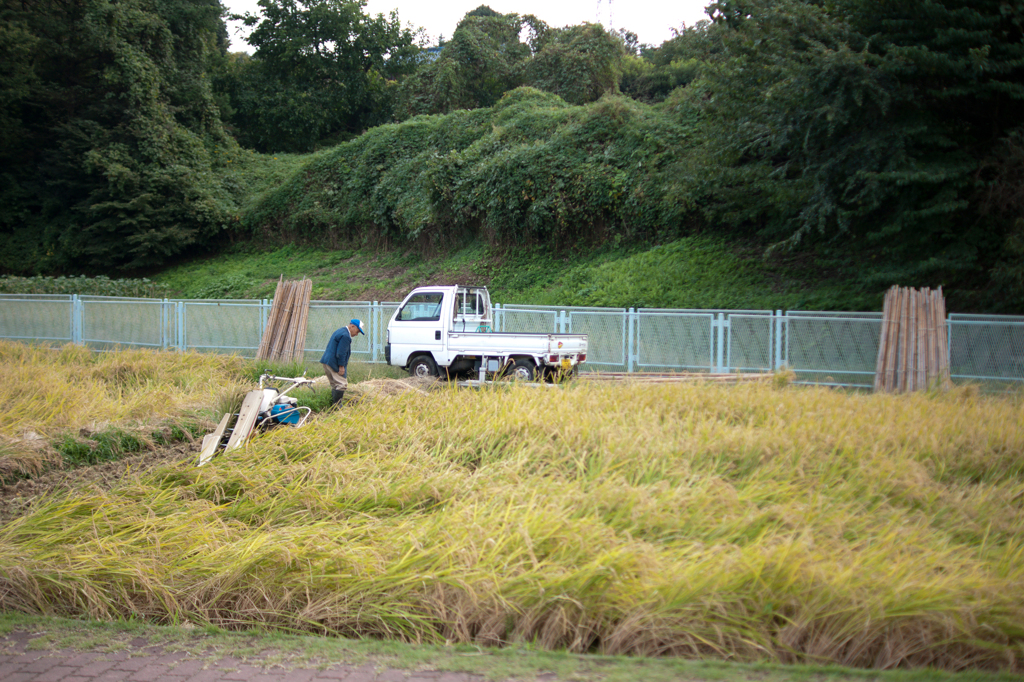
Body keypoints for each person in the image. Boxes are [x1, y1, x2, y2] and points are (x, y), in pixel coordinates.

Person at [320, 319, 365, 406]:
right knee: (342, 384)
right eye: (357, 331)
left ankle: (333, 406)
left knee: (334, 385)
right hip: (334, 362)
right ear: (352, 327)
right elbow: (341, 353)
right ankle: (337, 407)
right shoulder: (346, 336)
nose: (356, 334)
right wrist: (341, 366)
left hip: (326, 361)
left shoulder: (340, 331)